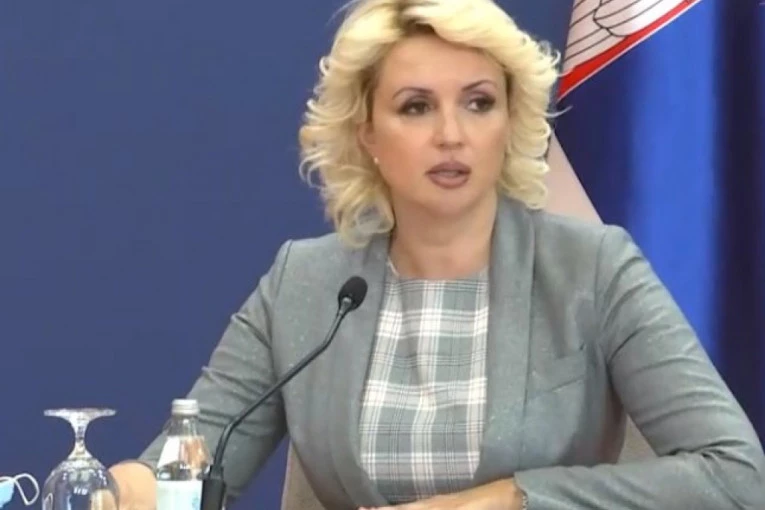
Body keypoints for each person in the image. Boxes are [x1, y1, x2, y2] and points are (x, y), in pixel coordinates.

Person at [109, 0, 765, 509]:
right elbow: (189, 463)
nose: (451, 135)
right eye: (416, 107)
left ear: (510, 120)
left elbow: (736, 475)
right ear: (367, 133)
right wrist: (120, 489)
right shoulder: (305, 283)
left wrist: (511, 498)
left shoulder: (592, 269)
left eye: (478, 103)